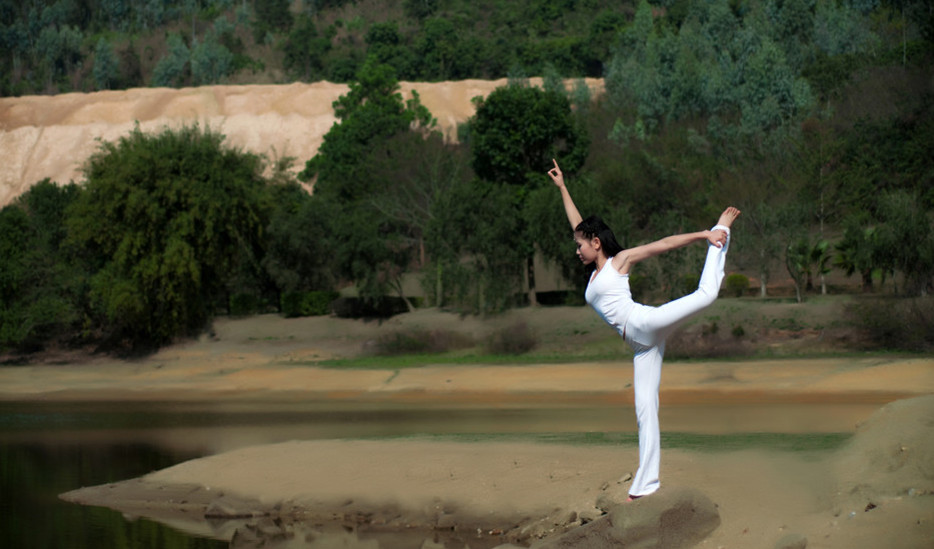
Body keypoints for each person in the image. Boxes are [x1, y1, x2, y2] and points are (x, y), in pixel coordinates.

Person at [547, 159, 740, 500]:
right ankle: (646, 485)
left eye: (580, 245)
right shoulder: (593, 269)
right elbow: (577, 224)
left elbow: (662, 244)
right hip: (641, 347)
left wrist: (704, 234)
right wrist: (563, 188)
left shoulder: (619, 262)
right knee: (645, 409)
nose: (576, 250)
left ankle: (721, 232)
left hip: (644, 323)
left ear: (595, 243)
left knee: (707, 294)